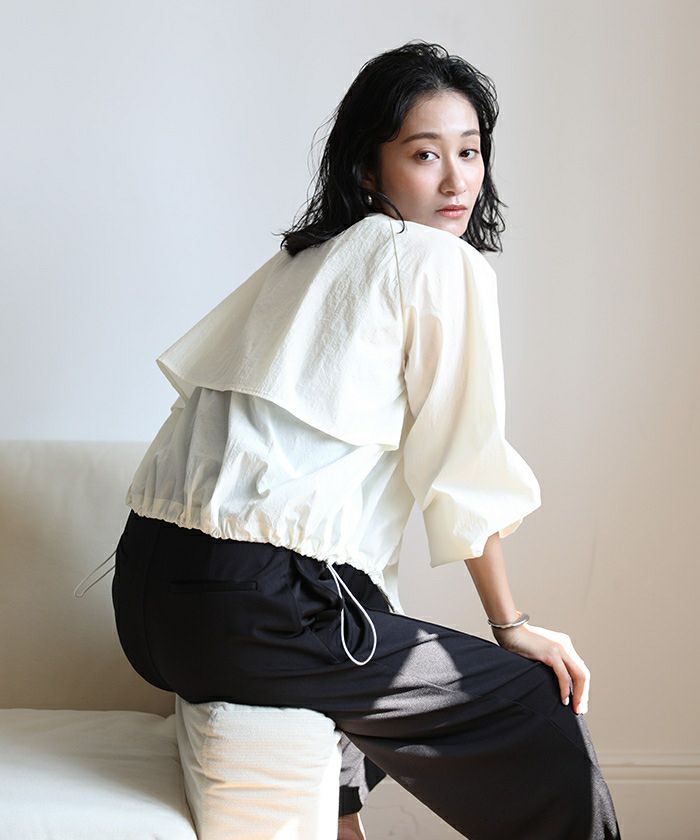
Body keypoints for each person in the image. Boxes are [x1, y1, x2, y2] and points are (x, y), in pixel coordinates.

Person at [78, 41, 622, 840]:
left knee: (369, 620)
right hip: (251, 608)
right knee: (534, 705)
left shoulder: (304, 261)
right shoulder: (436, 264)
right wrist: (512, 625)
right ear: (369, 169)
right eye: (425, 154)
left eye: (470, 152)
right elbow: (461, 467)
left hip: (147, 607)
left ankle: (342, 827)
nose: (456, 181)